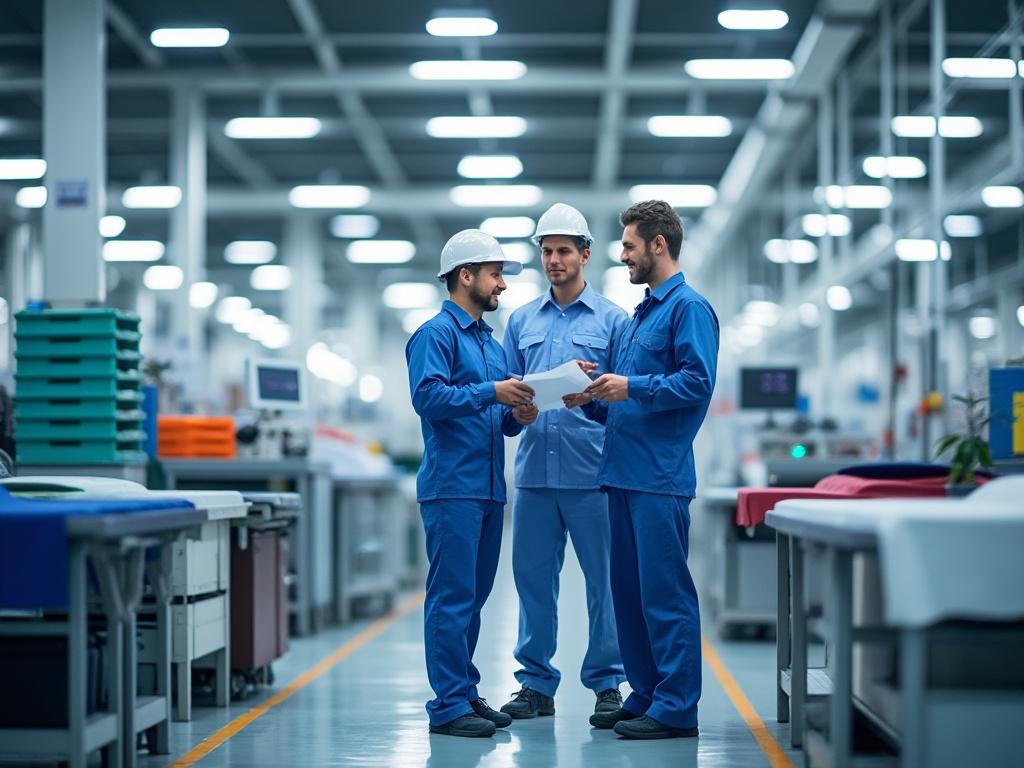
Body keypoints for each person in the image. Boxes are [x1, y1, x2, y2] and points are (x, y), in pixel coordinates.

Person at [564, 200, 719, 740]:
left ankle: (677, 707)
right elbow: (624, 402)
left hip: (659, 478)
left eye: (629, 245)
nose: (623, 255)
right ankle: (648, 692)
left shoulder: (688, 309)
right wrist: (590, 395)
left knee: (665, 595)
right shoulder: (641, 316)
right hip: (621, 476)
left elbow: (697, 384)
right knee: (628, 594)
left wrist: (632, 386)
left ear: (658, 244)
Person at [406, 229, 539, 738]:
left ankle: (464, 691)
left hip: (487, 490)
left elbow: (498, 418)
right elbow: (429, 398)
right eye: (496, 273)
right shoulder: (434, 336)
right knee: (451, 597)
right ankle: (446, 706)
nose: (502, 284)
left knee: (475, 597)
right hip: (451, 489)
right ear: (467, 276)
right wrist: (492, 392)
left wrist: (518, 414)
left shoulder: (492, 343)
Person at [499, 204, 628, 722]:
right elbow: (504, 407)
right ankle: (535, 684)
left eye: (564, 251)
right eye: (547, 251)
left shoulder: (615, 322)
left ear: (585, 255)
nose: (554, 260)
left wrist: (590, 401)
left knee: (605, 585)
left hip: (593, 474)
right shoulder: (521, 322)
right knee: (533, 585)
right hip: (533, 476)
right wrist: (518, 412)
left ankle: (606, 684)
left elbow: (624, 404)